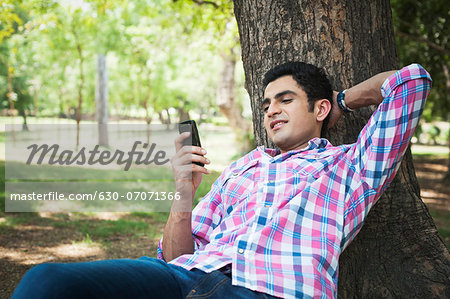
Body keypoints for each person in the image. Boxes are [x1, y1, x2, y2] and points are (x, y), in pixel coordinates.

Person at [11, 62, 431, 299]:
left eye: (285, 100)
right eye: (266, 104)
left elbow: (411, 82)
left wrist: (339, 102)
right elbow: (175, 257)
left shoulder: (351, 168)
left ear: (317, 109)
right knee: (47, 282)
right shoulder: (243, 167)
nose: (271, 111)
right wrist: (182, 194)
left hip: (272, 291)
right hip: (185, 278)